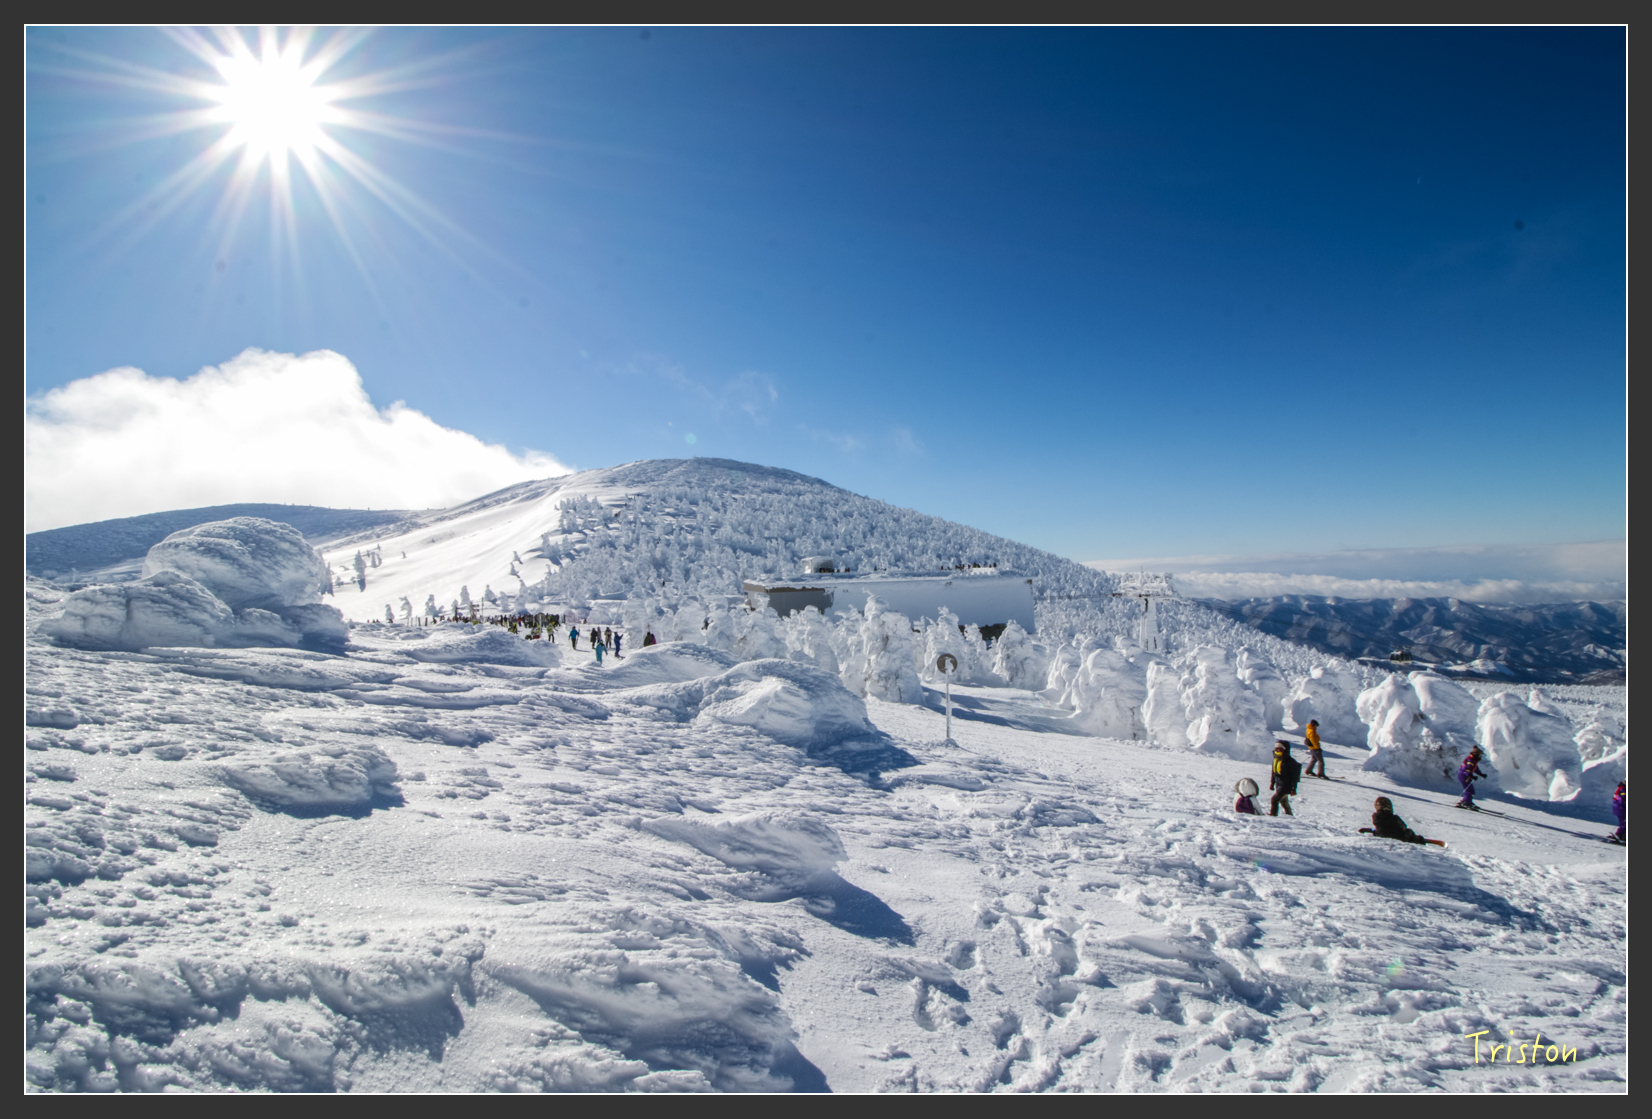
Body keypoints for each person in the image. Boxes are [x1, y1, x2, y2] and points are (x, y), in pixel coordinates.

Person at [1360, 796, 1430, 845]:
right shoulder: (1395, 818)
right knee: (1409, 831)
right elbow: (1404, 827)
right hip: (1399, 838)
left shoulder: (1376, 817)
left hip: (1381, 835)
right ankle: (1419, 840)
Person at [1270, 741, 1301, 816]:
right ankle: (1290, 816)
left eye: (1280, 749)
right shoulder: (1276, 759)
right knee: (1284, 802)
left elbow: (1294, 776)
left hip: (1286, 786)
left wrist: (1293, 788)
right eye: (1276, 748)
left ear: (1285, 750)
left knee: (1274, 800)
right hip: (1279, 785)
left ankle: (1273, 815)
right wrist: (1272, 783)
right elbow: (1273, 773)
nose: (1277, 750)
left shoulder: (1290, 761)